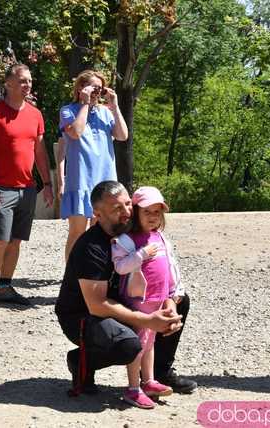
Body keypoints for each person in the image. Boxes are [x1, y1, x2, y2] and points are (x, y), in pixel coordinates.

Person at [55, 181, 182, 396]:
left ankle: (157, 373)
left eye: (128, 205)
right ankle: (81, 361)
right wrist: (147, 320)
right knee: (128, 345)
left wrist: (169, 303)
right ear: (97, 213)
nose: (126, 212)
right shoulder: (91, 247)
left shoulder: (132, 236)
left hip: (120, 303)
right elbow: (97, 305)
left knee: (180, 303)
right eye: (117, 208)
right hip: (83, 317)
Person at [0, 63, 54, 310]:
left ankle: (5, 288)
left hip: (27, 188)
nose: (27, 85)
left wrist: (48, 183)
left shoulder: (35, 115)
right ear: (8, 84)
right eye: (22, 81)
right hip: (2, 188)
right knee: (0, 240)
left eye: (29, 81)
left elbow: (40, 152)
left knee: (16, 241)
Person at [111, 186, 181, 408]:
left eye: (157, 213)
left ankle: (148, 381)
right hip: (137, 301)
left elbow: (169, 266)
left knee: (149, 342)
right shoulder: (128, 240)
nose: (153, 217)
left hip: (158, 299)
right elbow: (120, 266)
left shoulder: (159, 237)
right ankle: (133, 388)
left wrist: (172, 294)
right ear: (136, 213)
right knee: (138, 344)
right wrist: (140, 255)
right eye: (147, 212)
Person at [57, 70, 128, 261]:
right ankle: (71, 277)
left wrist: (115, 106)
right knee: (77, 232)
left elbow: (122, 136)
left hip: (104, 181)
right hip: (81, 179)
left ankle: (97, 271)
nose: (97, 92)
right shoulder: (68, 110)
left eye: (100, 88)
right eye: (93, 88)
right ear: (81, 88)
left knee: (101, 232)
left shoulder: (105, 112)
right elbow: (76, 133)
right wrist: (85, 103)